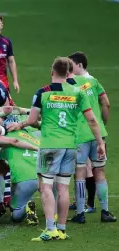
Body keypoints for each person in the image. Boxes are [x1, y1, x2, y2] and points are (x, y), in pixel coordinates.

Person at [8, 57, 106, 241]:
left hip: (50, 147)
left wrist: (21, 125)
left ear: (52, 72)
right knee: (62, 188)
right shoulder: (77, 93)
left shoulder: (42, 92)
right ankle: (61, 229)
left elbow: (31, 120)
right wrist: (100, 143)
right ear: (69, 73)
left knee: (45, 187)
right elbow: (92, 120)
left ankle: (50, 229)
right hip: (70, 146)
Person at [67, 52, 116, 223]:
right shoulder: (94, 82)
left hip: (79, 135)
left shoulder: (69, 84)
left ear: (79, 65)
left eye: (71, 64)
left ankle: (80, 213)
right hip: (98, 133)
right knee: (100, 172)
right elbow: (106, 103)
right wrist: (103, 123)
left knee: (79, 173)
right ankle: (105, 211)